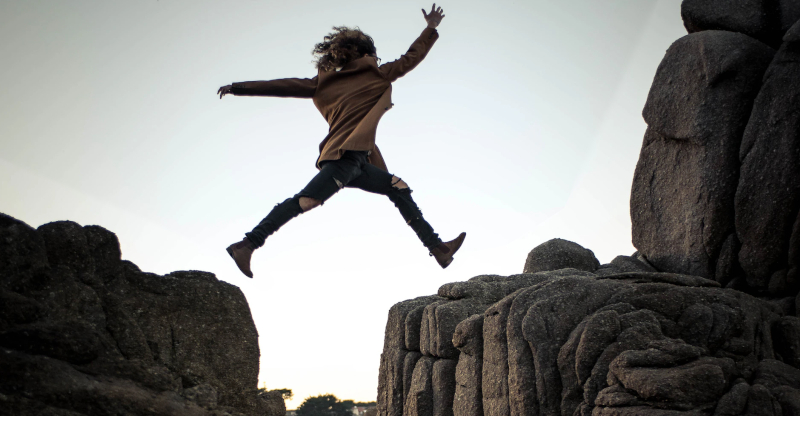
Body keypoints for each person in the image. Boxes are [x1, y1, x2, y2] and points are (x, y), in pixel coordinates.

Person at [218, 3, 464, 278]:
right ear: (366, 54)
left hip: (358, 160)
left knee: (398, 187)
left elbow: (281, 85)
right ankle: (248, 244)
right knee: (306, 200)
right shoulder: (376, 74)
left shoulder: (324, 83)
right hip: (343, 159)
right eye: (374, 54)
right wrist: (430, 28)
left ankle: (438, 249)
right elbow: (411, 57)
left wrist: (239, 88)